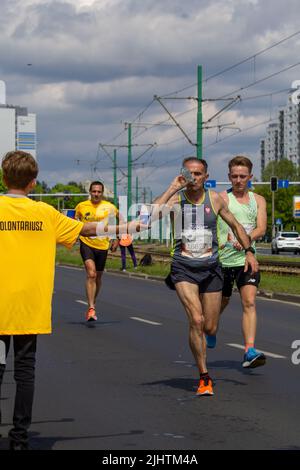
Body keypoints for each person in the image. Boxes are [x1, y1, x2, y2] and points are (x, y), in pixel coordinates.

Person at [0, 151, 140, 450]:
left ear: (3, 177)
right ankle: (20, 439)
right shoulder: (46, 213)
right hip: (30, 305)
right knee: (25, 371)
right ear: (34, 183)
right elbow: (88, 229)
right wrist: (124, 228)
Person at [154, 157, 259, 396]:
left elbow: (236, 226)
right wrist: (172, 187)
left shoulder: (215, 200)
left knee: (210, 326)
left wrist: (249, 252)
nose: (194, 178)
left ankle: (209, 336)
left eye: (198, 174)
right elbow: (150, 216)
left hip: (211, 268)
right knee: (197, 320)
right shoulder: (175, 199)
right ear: (183, 174)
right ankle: (204, 376)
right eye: (189, 173)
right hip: (183, 268)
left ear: (206, 177)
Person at [217, 155, 267, 368]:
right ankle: (210, 327)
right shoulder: (221, 198)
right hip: (223, 261)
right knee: (223, 301)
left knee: (249, 302)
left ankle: (249, 350)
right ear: (229, 176)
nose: (238, 180)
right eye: (235, 176)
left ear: (250, 177)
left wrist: (246, 240)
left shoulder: (259, 200)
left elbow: (261, 228)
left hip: (247, 259)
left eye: (242, 176)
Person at [75, 182, 119, 322]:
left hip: (102, 245)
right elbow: (75, 222)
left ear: (102, 193)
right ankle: (91, 308)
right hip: (86, 243)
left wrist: (116, 239)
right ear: (90, 192)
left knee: (98, 277)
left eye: (99, 192)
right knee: (91, 273)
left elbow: (116, 224)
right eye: (94, 191)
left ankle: (92, 301)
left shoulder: (110, 207)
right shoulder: (81, 206)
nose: (96, 194)